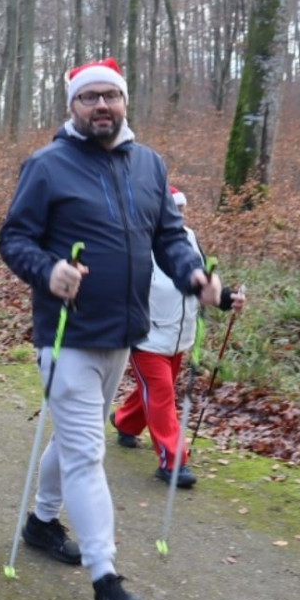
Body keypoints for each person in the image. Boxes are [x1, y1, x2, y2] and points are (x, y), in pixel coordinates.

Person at [0, 58, 242, 600]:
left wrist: (196, 277)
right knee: (87, 452)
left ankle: (40, 523)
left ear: (125, 102)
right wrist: (48, 271)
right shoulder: (46, 165)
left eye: (111, 96)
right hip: (66, 334)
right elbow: (14, 239)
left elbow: (169, 238)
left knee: (72, 438)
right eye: (90, 98)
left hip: (124, 334)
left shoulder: (149, 165)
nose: (102, 106)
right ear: (72, 106)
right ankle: (106, 579)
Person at [111, 186, 222, 488]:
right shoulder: (137, 242)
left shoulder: (186, 238)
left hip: (178, 336)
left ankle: (124, 421)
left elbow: (200, 282)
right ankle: (172, 462)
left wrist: (225, 298)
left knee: (155, 391)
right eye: (174, 210)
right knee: (161, 395)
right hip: (145, 337)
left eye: (181, 210)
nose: (179, 217)